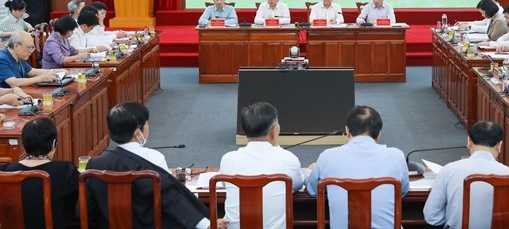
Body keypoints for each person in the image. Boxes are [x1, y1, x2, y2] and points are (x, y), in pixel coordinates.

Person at [84, 101, 210, 229]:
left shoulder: (94, 165)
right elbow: (170, 199)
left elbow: (84, 211)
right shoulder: (154, 158)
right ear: (138, 133)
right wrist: (206, 224)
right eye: (146, 123)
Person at [305, 105, 409, 228]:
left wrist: (309, 171)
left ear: (347, 131)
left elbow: (312, 190)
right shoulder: (396, 156)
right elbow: (402, 191)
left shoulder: (327, 157)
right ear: (379, 134)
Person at [423, 120, 509, 229]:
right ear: (499, 146)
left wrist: (453, 218)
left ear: (469, 142)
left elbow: (431, 216)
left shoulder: (448, 170)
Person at [218, 102, 304, 229]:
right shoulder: (288, 159)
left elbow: (225, 185)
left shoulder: (228, 160)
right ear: (275, 130)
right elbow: (297, 185)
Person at [3, 118, 79, 229]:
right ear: (54, 143)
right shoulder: (66, 170)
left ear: (24, 144)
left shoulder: (6, 171)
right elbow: (75, 205)